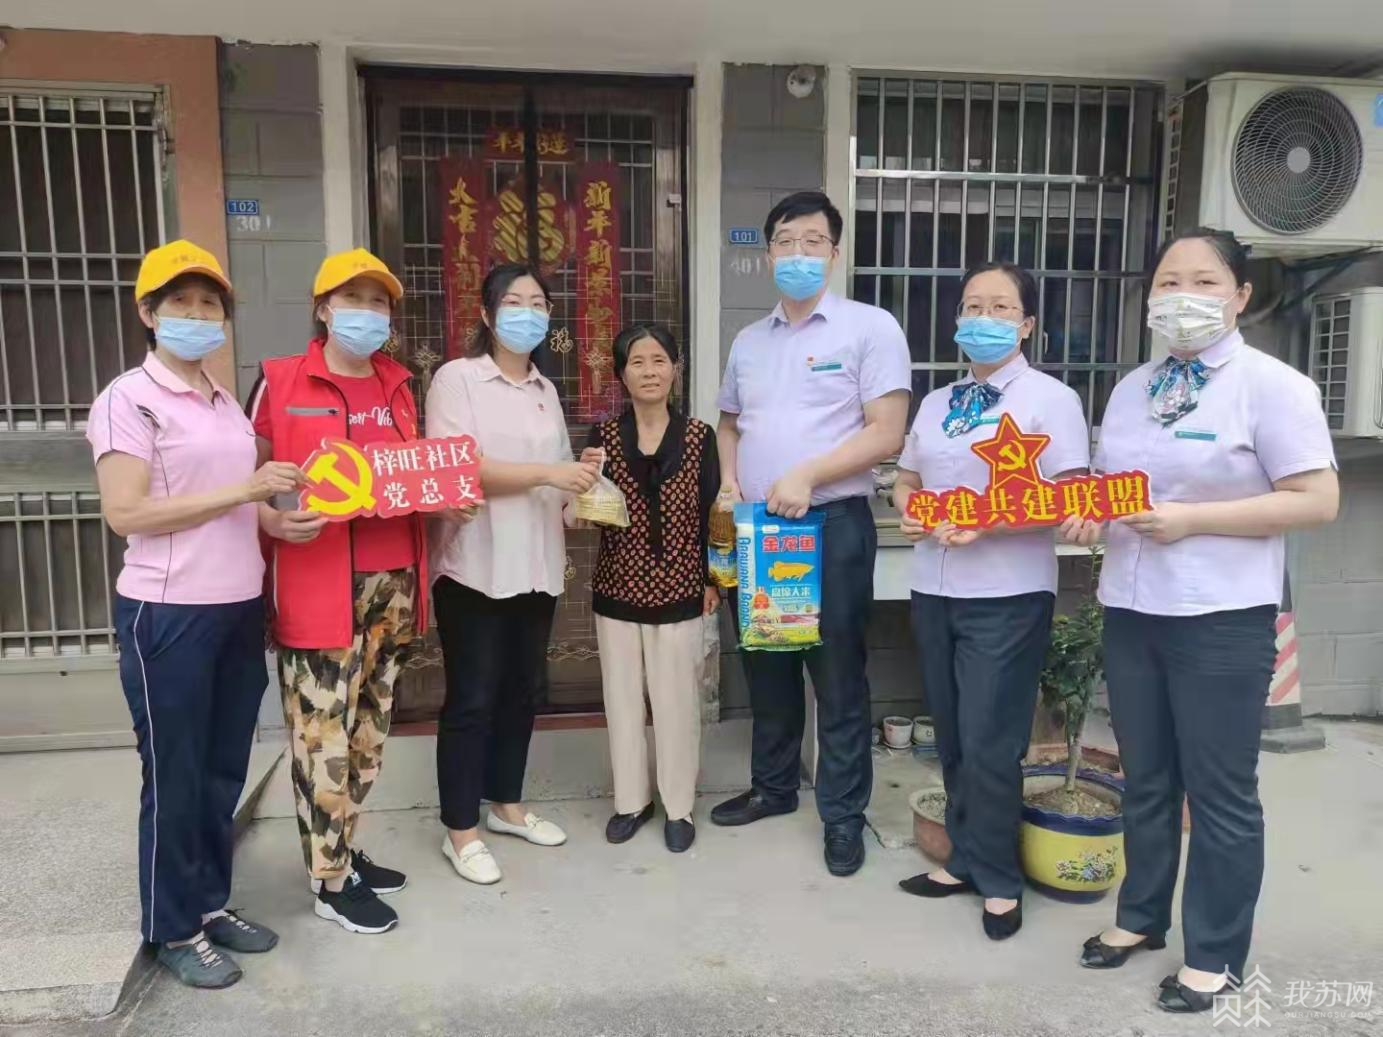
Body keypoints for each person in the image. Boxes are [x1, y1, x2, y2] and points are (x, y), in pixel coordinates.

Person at [1062, 228, 1338, 1011]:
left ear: (1240, 296)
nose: (1183, 296)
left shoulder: (1271, 386)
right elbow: (1115, 487)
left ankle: (1214, 951)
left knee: (1218, 790)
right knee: (1146, 777)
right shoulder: (1131, 388)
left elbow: (1316, 499)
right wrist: (1089, 511)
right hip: (1132, 607)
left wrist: (1192, 520)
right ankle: (1140, 916)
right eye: (1168, 281)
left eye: (1204, 281)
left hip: (1219, 616)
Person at [89, 240, 292, 988]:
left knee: (221, 768)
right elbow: (126, 513)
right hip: (168, 612)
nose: (199, 316)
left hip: (236, 607)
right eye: (181, 303)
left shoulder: (220, 399)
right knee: (175, 774)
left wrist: (275, 520)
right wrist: (247, 492)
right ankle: (171, 926)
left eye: (211, 305)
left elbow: (238, 500)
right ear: (149, 313)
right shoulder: (127, 400)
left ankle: (208, 902)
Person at [250, 248, 466, 935]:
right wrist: (271, 520)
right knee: (323, 736)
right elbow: (246, 480)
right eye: (353, 299)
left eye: (379, 302)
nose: (367, 313)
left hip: (393, 585)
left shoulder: (398, 385)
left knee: (369, 729)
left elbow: (405, 477)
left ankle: (343, 847)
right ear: (323, 308)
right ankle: (329, 882)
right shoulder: (279, 381)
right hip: (320, 584)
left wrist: (443, 500)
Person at [711, 191, 911, 877]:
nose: (798, 252)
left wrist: (808, 474)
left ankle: (843, 815)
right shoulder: (749, 340)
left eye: (813, 240)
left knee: (836, 674)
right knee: (766, 663)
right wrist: (729, 479)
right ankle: (773, 787)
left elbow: (887, 432)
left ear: (834, 251)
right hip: (761, 529)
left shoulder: (869, 327)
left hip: (832, 525)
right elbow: (729, 422)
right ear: (768, 253)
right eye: (785, 241)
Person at [892, 262, 1090, 940]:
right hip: (934, 586)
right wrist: (910, 508)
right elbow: (907, 479)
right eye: (972, 305)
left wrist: (988, 521)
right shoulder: (938, 402)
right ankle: (964, 859)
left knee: (990, 741)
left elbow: (1070, 497)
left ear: (1026, 324)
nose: (983, 317)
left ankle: (1000, 880)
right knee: (951, 734)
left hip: (1007, 592)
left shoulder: (1049, 400)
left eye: (1000, 307)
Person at [426, 263, 600, 885]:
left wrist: (582, 483)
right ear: (486, 313)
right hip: (474, 565)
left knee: (523, 691)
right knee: (472, 697)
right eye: (514, 301)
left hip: (537, 563)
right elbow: (457, 466)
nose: (528, 313)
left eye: (538, 303)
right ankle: (460, 829)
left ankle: (505, 805)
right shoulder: (457, 379)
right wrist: (550, 474)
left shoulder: (545, 389)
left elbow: (559, 474)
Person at [584, 323, 720, 853]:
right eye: (637, 362)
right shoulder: (602, 438)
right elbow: (590, 511)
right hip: (617, 588)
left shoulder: (699, 437)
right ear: (621, 373)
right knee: (621, 702)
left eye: (659, 360)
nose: (649, 371)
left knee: (677, 704)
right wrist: (583, 486)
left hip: (682, 590)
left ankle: (678, 806)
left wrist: (712, 580)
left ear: (675, 369)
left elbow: (712, 514)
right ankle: (631, 802)